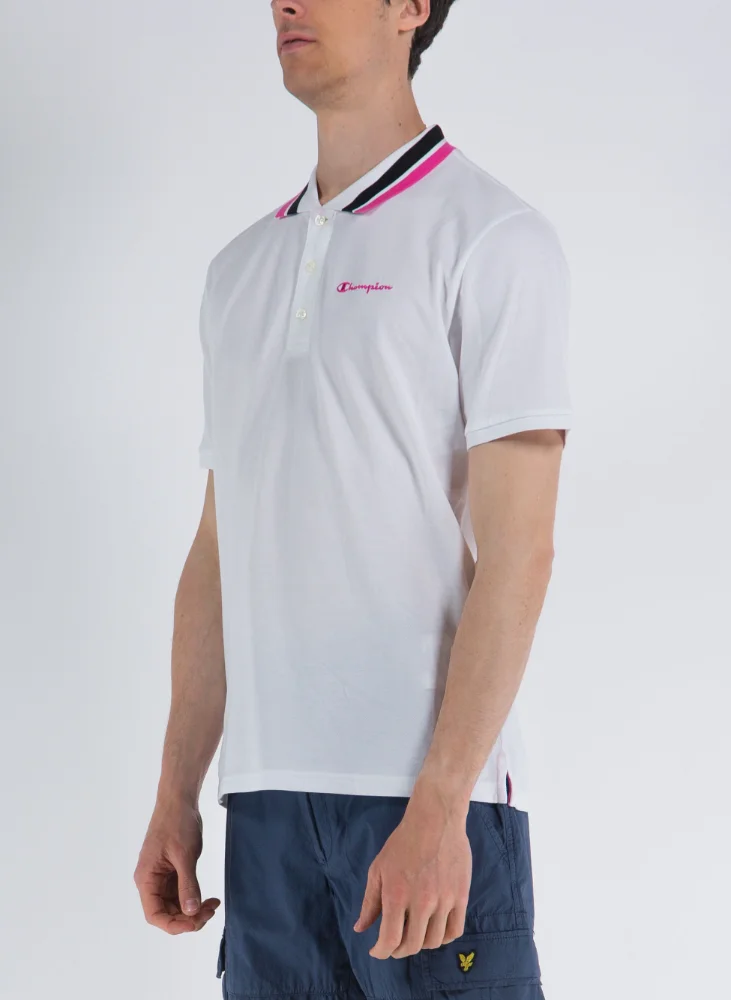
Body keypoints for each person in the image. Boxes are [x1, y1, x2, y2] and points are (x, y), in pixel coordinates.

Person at [133, 3, 573, 999]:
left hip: (422, 801)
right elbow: (219, 548)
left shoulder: (493, 238)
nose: (285, 2)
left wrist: (442, 803)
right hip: (263, 814)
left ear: (410, 6)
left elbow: (521, 551)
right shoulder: (237, 273)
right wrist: (176, 789)